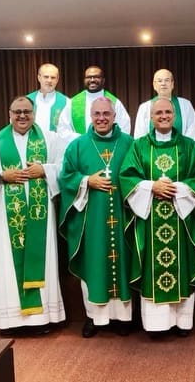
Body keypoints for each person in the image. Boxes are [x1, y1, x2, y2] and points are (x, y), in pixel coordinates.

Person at [0, 96, 66, 335]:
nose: (22, 116)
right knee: (7, 262)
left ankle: (41, 319)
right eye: (17, 112)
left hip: (40, 214)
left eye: (27, 111)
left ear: (33, 113)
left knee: (42, 259)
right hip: (7, 215)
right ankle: (10, 320)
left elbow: (65, 167)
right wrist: (2, 175)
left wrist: (44, 169)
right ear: (9, 114)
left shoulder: (50, 139)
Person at [118, 98, 195, 337]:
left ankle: (181, 322)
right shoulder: (139, 146)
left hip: (181, 219)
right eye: (158, 113)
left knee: (182, 266)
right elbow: (126, 176)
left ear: (175, 116)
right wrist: (151, 187)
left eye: (168, 112)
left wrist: (177, 189)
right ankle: (156, 325)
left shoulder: (188, 145)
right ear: (151, 117)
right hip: (150, 219)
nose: (164, 116)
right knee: (152, 267)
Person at [59, 97, 135, 338]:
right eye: (97, 114)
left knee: (124, 262)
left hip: (123, 216)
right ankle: (94, 317)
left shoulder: (129, 143)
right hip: (90, 219)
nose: (101, 118)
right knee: (94, 263)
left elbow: (139, 173)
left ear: (114, 116)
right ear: (91, 117)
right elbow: (65, 177)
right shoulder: (78, 146)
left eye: (106, 114)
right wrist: (86, 181)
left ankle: (124, 318)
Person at [62, 65, 131, 138]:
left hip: (108, 144)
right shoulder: (72, 103)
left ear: (103, 80)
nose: (92, 80)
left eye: (96, 77)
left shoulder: (114, 102)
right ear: (84, 80)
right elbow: (63, 128)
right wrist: (82, 140)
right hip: (81, 144)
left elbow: (124, 126)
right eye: (89, 77)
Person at [133, 68, 195, 141]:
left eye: (167, 80)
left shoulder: (186, 105)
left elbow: (191, 134)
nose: (163, 84)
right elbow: (140, 136)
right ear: (154, 85)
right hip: (151, 148)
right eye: (160, 81)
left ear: (172, 84)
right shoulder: (145, 107)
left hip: (180, 148)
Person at [26, 63, 71, 134]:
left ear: (57, 80)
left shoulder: (66, 102)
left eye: (53, 77)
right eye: (46, 77)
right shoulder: (27, 101)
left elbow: (69, 130)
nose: (49, 80)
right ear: (39, 78)